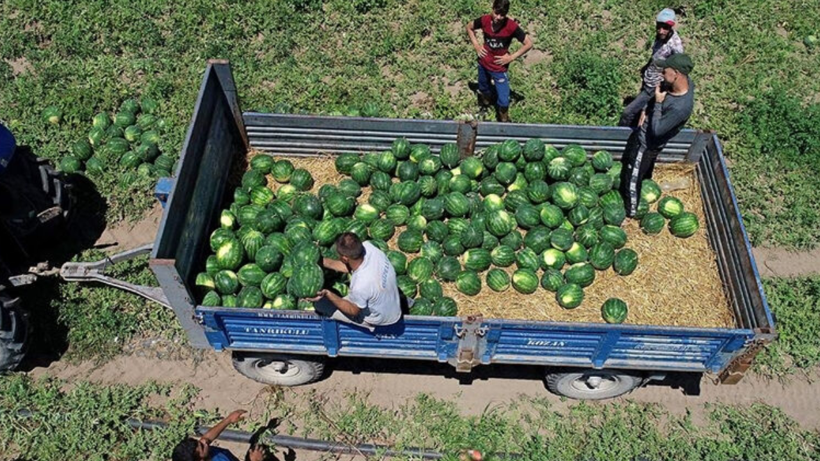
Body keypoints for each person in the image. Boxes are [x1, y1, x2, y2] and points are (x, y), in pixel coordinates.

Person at [619, 53, 695, 217]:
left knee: (631, 177)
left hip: (646, 144)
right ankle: (646, 180)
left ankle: (631, 211)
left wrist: (659, 103)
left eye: (665, 71)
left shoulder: (680, 108)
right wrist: (646, 109)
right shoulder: (683, 83)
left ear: (676, 74)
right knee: (644, 170)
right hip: (647, 137)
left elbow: (657, 130)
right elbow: (656, 99)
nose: (662, 74)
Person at [307, 233, 402, 330]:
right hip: (392, 301)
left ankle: (370, 326)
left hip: (382, 319)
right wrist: (320, 261)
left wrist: (328, 294)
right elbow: (350, 266)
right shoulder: (370, 248)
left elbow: (353, 311)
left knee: (321, 304)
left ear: (344, 258)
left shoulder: (360, 285)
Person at [466, 0, 533, 122]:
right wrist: (476, 45)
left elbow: (528, 44)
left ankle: (504, 121)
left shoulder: (511, 26)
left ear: (506, 14)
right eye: (496, 13)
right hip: (484, 63)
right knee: (484, 88)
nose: (498, 17)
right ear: (492, 9)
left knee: (504, 100)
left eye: (502, 15)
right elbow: (469, 27)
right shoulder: (485, 20)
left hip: (499, 68)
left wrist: (511, 57)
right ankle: (485, 106)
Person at [619, 8, 684, 127]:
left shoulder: (675, 46)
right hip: (649, 78)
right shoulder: (661, 36)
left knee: (628, 113)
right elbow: (657, 54)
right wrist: (646, 67)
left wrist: (662, 87)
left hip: (655, 85)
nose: (661, 31)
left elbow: (678, 72)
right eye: (659, 27)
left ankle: (620, 133)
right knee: (643, 111)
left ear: (671, 27)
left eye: (665, 28)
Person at [172, 410, 268, 461]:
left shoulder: (203, 451)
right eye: (202, 446)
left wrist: (229, 419)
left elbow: (207, 438)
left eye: (198, 442)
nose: (204, 441)